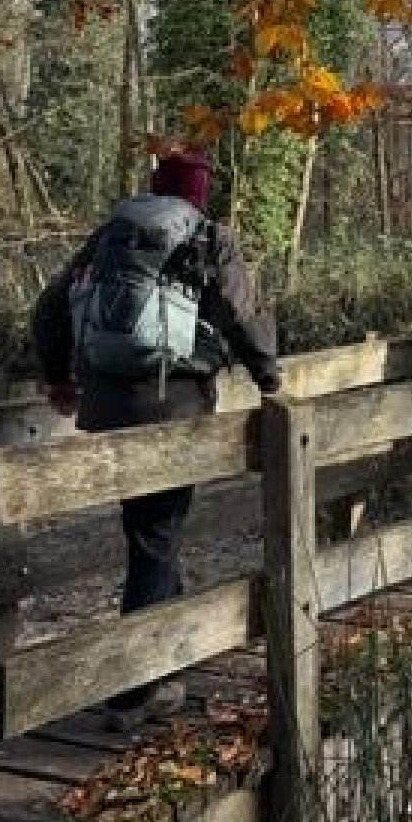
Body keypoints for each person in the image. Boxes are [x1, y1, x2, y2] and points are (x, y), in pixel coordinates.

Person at [32, 150, 280, 730]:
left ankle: (169, 657)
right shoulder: (206, 236)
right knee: (156, 537)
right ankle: (134, 687)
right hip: (172, 403)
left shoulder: (112, 235)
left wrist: (60, 379)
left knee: (151, 529)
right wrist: (269, 376)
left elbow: (49, 309)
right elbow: (240, 312)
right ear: (198, 193)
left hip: (107, 402)